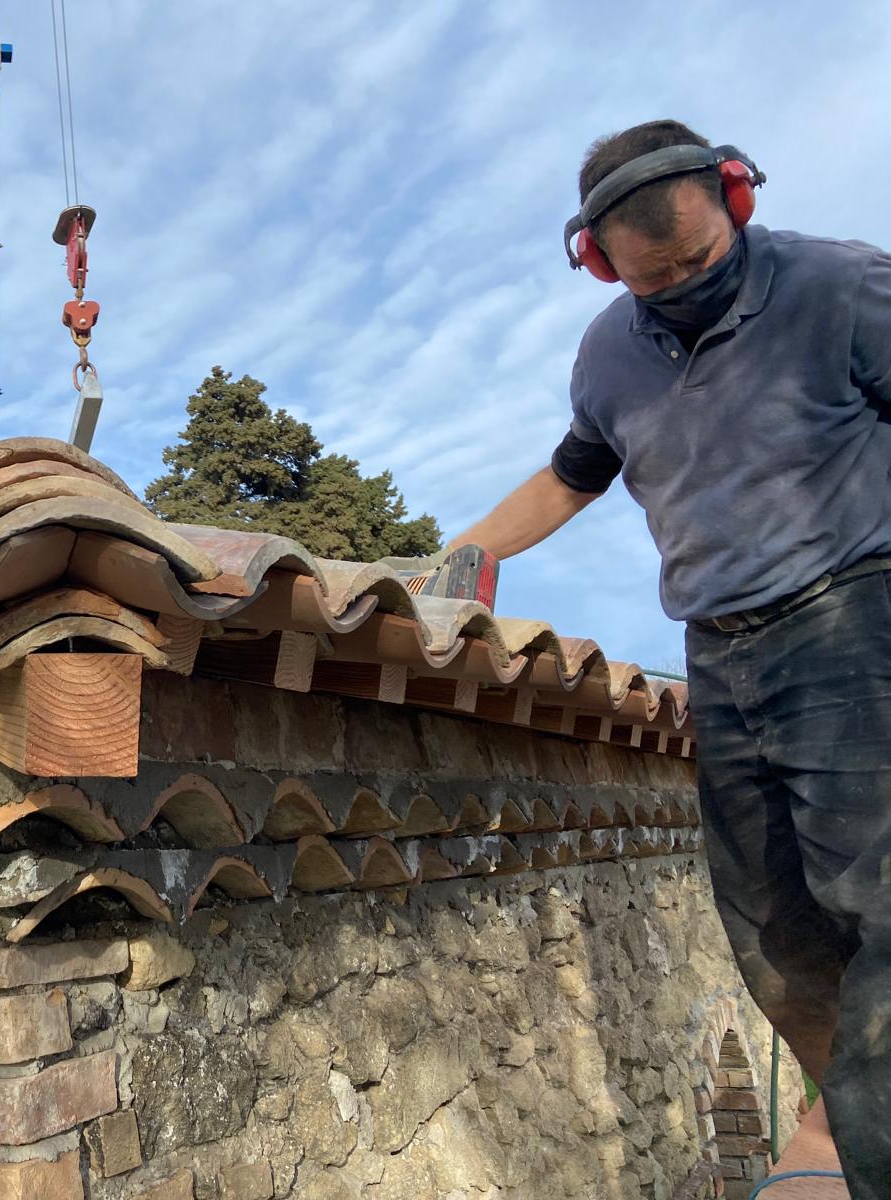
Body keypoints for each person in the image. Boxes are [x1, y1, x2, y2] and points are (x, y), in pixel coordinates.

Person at [451, 120, 891, 1196]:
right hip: (720, 658)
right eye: (653, 278)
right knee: (773, 932)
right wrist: (456, 556)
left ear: (736, 201)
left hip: (853, 622)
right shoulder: (608, 353)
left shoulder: (843, 287)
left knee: (880, 902)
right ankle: (854, 1126)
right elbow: (572, 475)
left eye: (697, 259)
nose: (682, 285)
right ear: (604, 265)